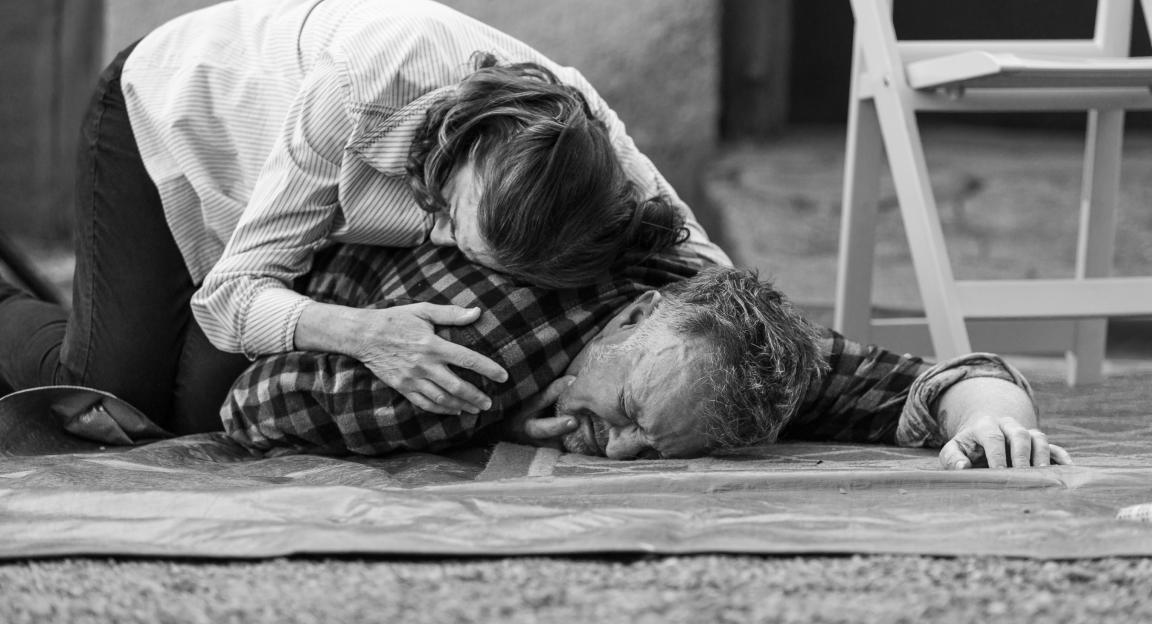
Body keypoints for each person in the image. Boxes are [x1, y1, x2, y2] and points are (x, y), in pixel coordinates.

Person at [0, 0, 727, 434]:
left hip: (280, 205)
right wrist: (368, 335)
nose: (438, 245)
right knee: (111, 397)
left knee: (195, 411)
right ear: (450, 168)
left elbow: (708, 273)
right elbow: (231, 300)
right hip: (169, 116)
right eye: (452, 229)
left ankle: (129, 307)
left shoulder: (583, 139)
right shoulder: (357, 93)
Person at [224, 242, 1069, 470]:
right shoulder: (467, 360)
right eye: (629, 414)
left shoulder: (727, 342)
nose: (618, 450)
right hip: (210, 178)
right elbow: (235, 405)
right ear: (629, 318)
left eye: (653, 446)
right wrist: (470, 419)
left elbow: (945, 379)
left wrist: (995, 425)